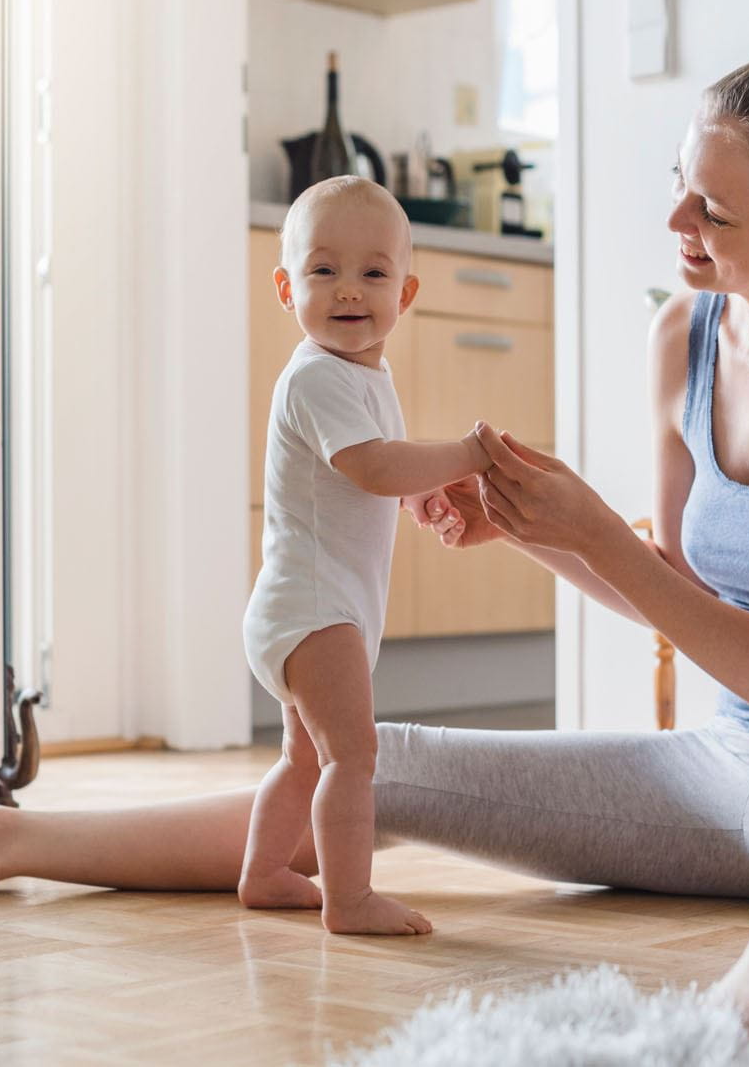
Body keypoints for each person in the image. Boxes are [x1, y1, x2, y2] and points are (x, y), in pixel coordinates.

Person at [0, 52, 749, 1046]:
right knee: (361, 753)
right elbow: (676, 596)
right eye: (679, 187)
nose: (676, 226)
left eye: (712, 214)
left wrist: (581, 527)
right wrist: (531, 529)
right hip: (719, 770)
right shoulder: (683, 333)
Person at [238, 176, 489, 935]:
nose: (349, 291)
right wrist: (466, 456)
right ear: (287, 288)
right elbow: (374, 466)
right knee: (354, 755)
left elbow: (382, 470)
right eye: (323, 271)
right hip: (315, 612)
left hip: (308, 605)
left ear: (405, 293)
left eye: (373, 273)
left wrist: (423, 495)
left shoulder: (366, 377)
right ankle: (348, 900)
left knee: (305, 760)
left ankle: (263, 872)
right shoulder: (316, 375)